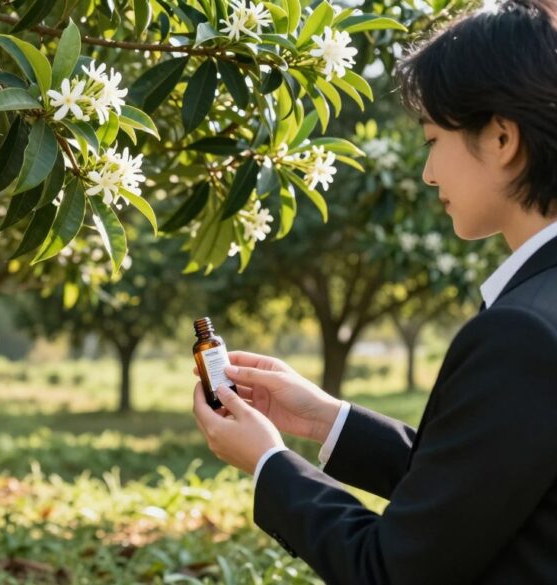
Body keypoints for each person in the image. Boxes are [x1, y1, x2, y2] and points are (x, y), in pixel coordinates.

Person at [191, 0, 557, 583]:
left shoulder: (523, 334)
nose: (428, 173)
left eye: (433, 139)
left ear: (502, 137)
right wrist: (326, 419)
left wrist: (267, 463)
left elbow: (391, 569)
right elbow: (482, 482)